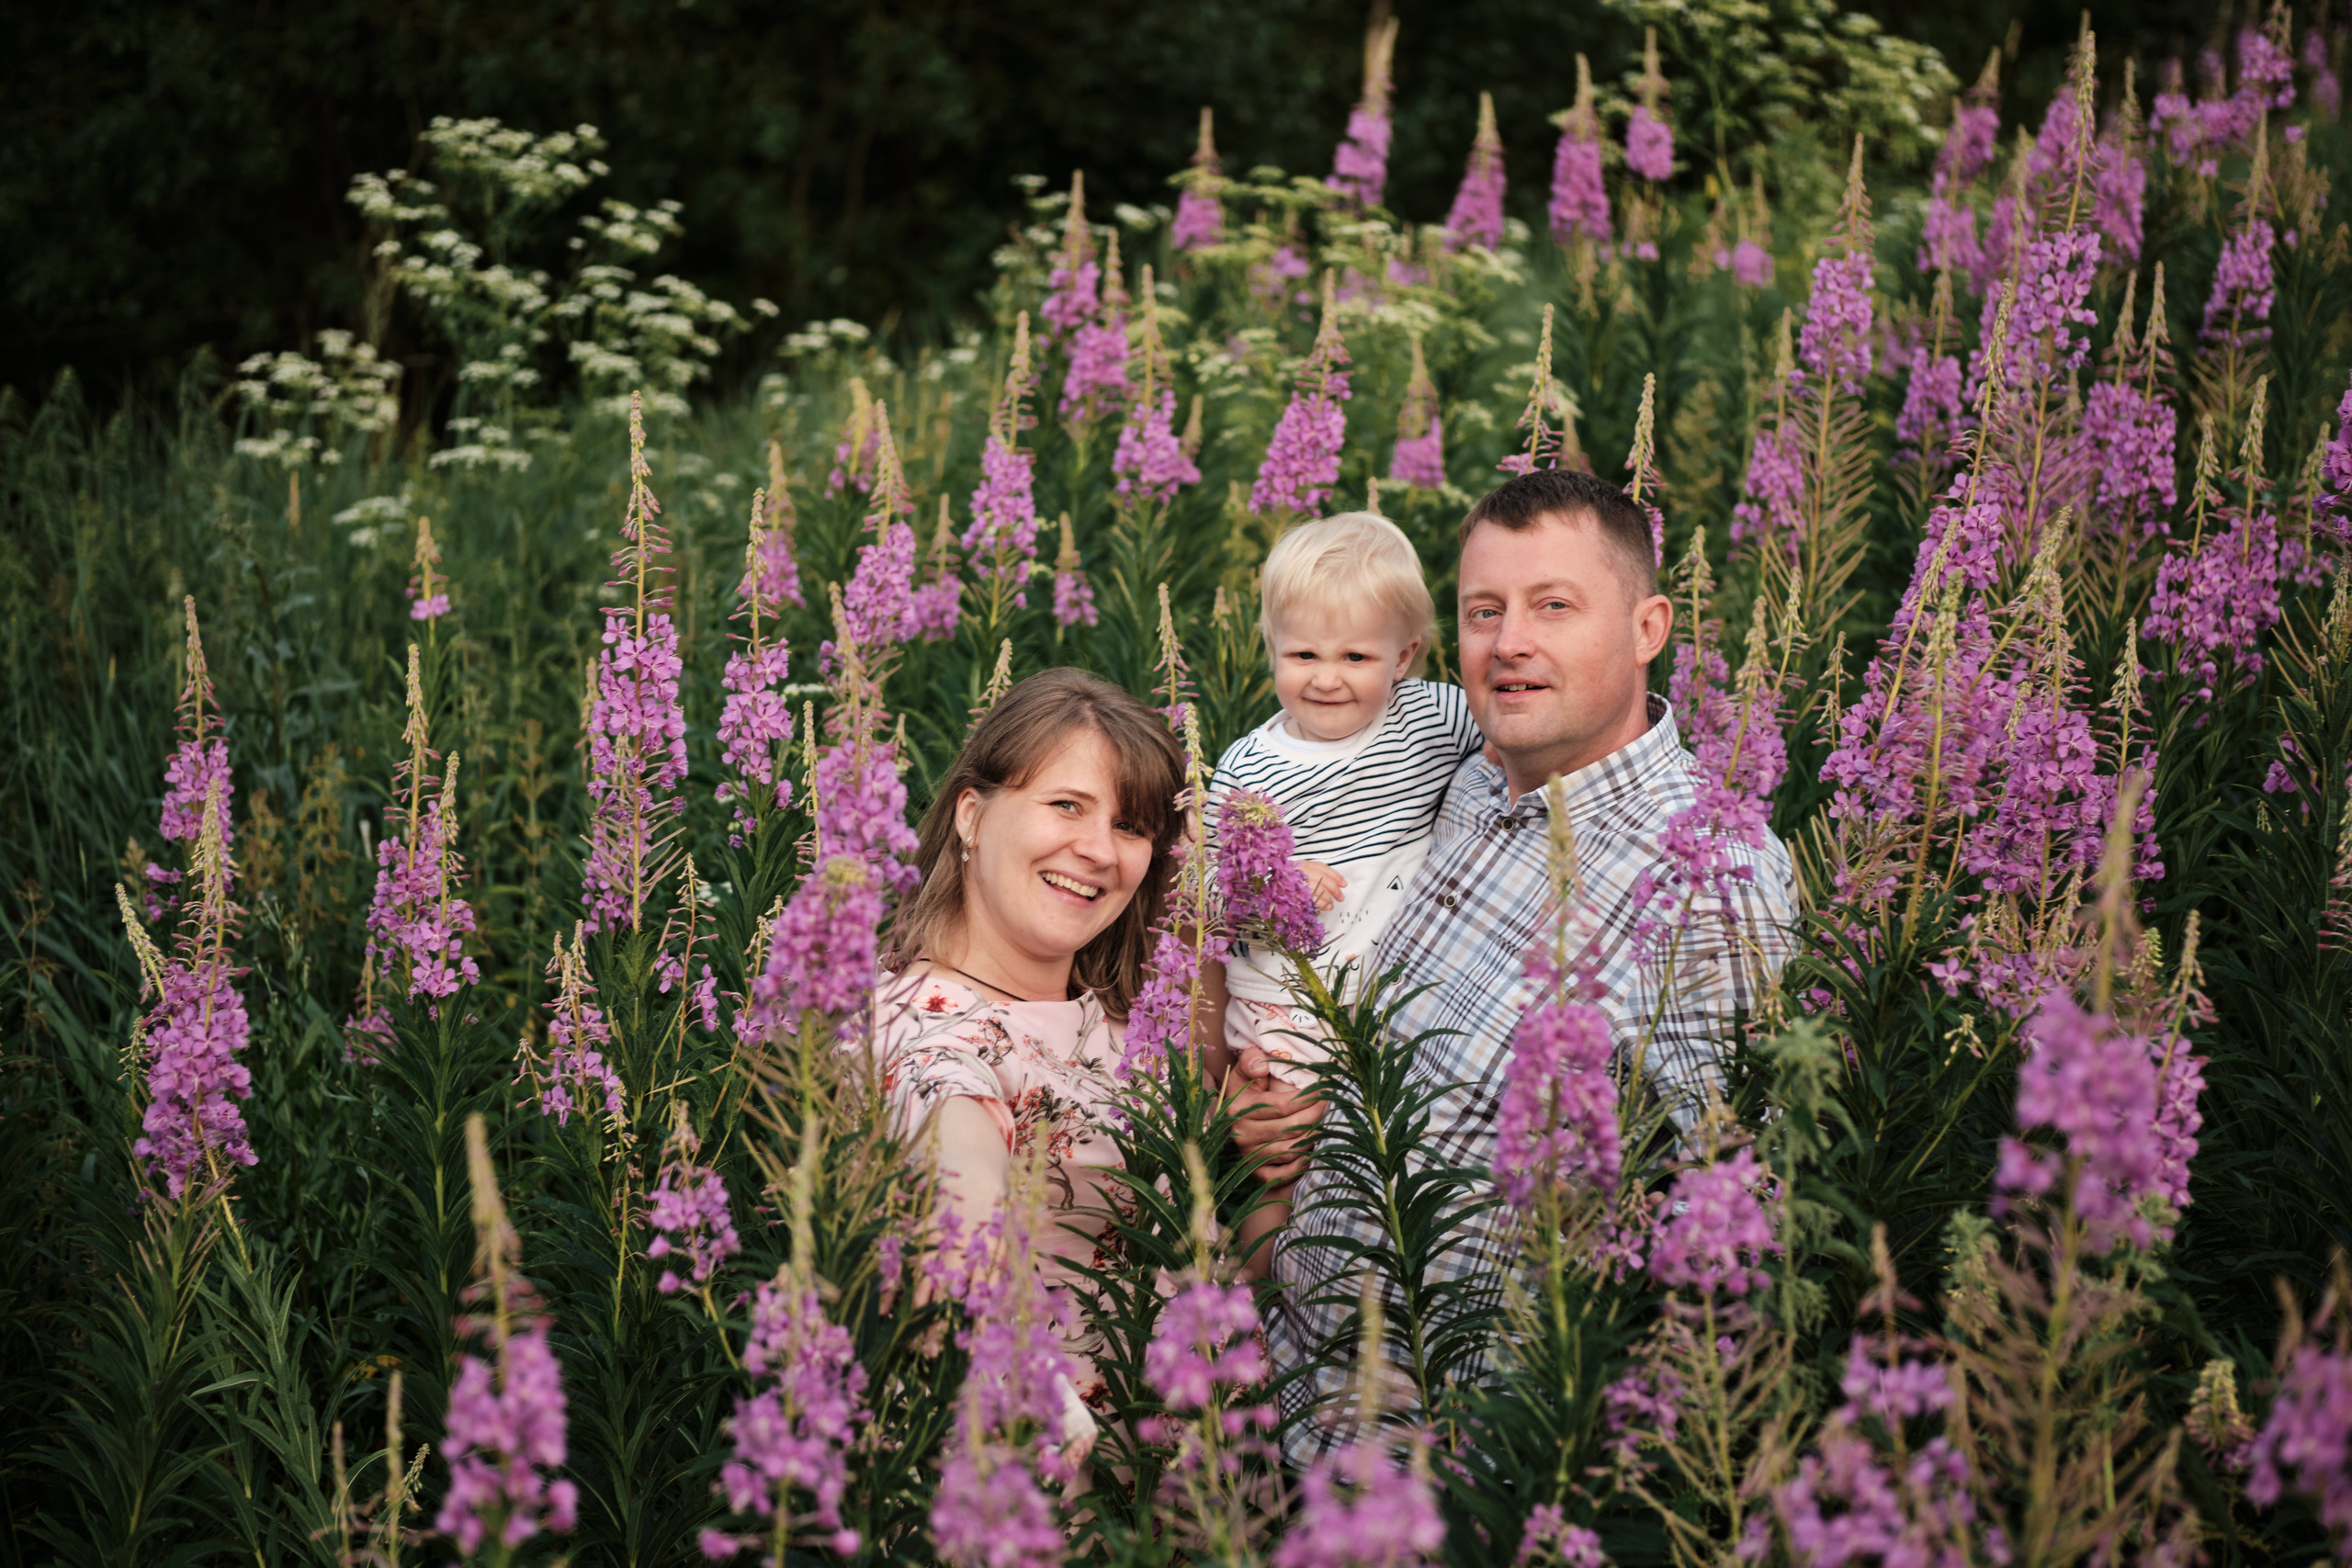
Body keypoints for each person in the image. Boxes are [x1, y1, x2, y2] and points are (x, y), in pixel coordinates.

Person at [1227, 468, 1799, 1452]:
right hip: (1282, 1404)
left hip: (1456, 1470)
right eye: (1483, 611)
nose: (1509, 642)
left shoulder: (1714, 874)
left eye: (1554, 606)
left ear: (1648, 628)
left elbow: (1717, 1220)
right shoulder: (1452, 780)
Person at [857, 668, 1187, 1408]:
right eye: (1067, 805)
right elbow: (953, 1138)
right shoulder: (922, 1019)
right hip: (1049, 1485)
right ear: (971, 816)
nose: (1100, 850)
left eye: (1131, 825)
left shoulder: (1113, 1016)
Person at [1201, 512, 1482, 1274]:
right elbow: (1205, 885)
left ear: (1406, 656)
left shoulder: (1433, 717)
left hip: (1382, 982)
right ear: (1272, 650)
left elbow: (1511, 749)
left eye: (1356, 654)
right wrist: (1273, 881)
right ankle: (1254, 1299)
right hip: (1286, 994)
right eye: (1302, 653)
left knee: (1382, 1153)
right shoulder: (1249, 765)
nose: (1326, 676)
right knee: (1282, 1158)